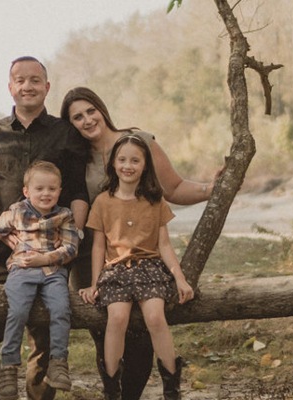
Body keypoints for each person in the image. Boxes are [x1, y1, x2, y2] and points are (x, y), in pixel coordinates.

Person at [61, 86, 216, 399]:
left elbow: (173, 187)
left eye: (91, 111)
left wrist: (213, 188)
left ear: (101, 109)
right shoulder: (77, 159)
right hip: (97, 256)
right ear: (71, 124)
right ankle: (113, 392)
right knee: (106, 328)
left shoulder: (140, 140)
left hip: (144, 257)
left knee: (144, 333)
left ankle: (137, 392)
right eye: (77, 117)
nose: (87, 120)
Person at [0, 56, 89, 400]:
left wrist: (72, 235)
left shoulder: (66, 135)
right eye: (20, 80)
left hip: (49, 255)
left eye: (35, 80)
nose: (27, 86)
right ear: (10, 87)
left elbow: (78, 192)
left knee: (44, 339)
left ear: (47, 87)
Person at [79, 133, 196, 400]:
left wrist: (180, 278)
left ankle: (171, 387)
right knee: (117, 319)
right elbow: (98, 247)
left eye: (135, 160)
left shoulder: (155, 200)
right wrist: (95, 283)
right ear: (113, 164)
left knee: (155, 317)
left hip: (149, 268)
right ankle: (112, 389)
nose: (127, 165)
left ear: (145, 165)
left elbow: (164, 245)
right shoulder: (103, 201)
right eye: (122, 160)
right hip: (116, 272)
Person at [0, 161, 80, 400]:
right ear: (27, 191)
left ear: (59, 190)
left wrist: (45, 258)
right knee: (17, 311)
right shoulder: (16, 212)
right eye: (40, 189)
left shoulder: (65, 215)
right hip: (21, 271)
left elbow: (71, 248)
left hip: (52, 272)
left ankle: (59, 362)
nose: (46, 193)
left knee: (60, 309)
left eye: (52, 189)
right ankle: (8, 367)